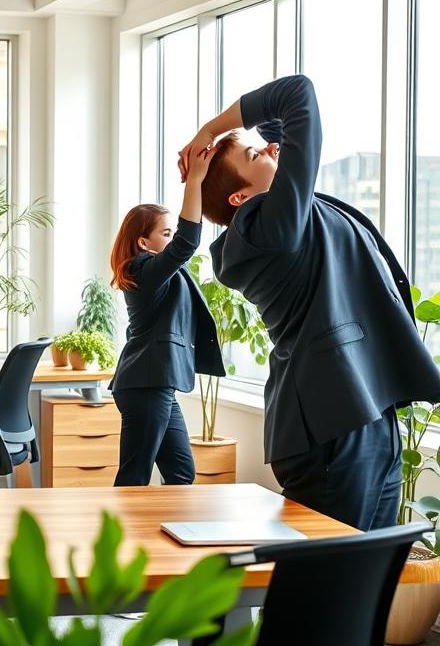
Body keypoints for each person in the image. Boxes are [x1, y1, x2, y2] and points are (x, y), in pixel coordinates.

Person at [180, 74, 440, 530]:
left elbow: (281, 123)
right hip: (331, 423)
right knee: (329, 585)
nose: (272, 149)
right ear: (242, 198)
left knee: (370, 577)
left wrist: (246, 143)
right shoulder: (267, 231)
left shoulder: (283, 217)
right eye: (255, 154)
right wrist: (210, 130)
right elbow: (298, 95)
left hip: (364, 407)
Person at [108, 147, 225, 486]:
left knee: (181, 472)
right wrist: (196, 182)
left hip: (157, 383)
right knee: (134, 475)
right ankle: (122, 539)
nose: (173, 239)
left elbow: (181, 249)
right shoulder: (143, 269)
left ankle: (165, 534)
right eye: (166, 233)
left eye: (171, 232)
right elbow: (187, 244)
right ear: (144, 242)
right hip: (146, 384)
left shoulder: (157, 272)